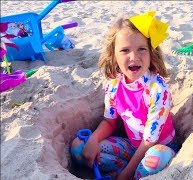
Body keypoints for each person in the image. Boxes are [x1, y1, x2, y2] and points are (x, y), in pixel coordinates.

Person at [71, 11, 181, 180]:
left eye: (142, 49)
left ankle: (128, 174)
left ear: (151, 53)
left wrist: (125, 176)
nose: (134, 57)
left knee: (156, 158)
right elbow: (109, 121)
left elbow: (149, 141)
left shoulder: (157, 90)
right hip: (130, 146)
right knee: (80, 147)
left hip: (156, 147)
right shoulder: (114, 85)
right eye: (125, 50)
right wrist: (93, 139)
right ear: (113, 56)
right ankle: (125, 171)